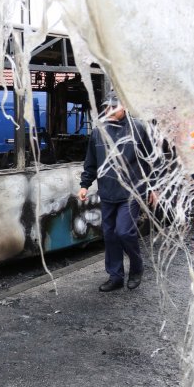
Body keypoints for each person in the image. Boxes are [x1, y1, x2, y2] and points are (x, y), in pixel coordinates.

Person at [78, 90, 156, 292]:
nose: (109, 110)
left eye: (114, 106)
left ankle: (137, 268)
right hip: (108, 192)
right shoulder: (98, 132)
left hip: (132, 192)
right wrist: (85, 185)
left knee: (124, 232)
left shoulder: (138, 129)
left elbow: (151, 161)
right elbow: (91, 162)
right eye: (106, 107)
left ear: (125, 107)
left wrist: (153, 187)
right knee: (110, 234)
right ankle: (116, 276)